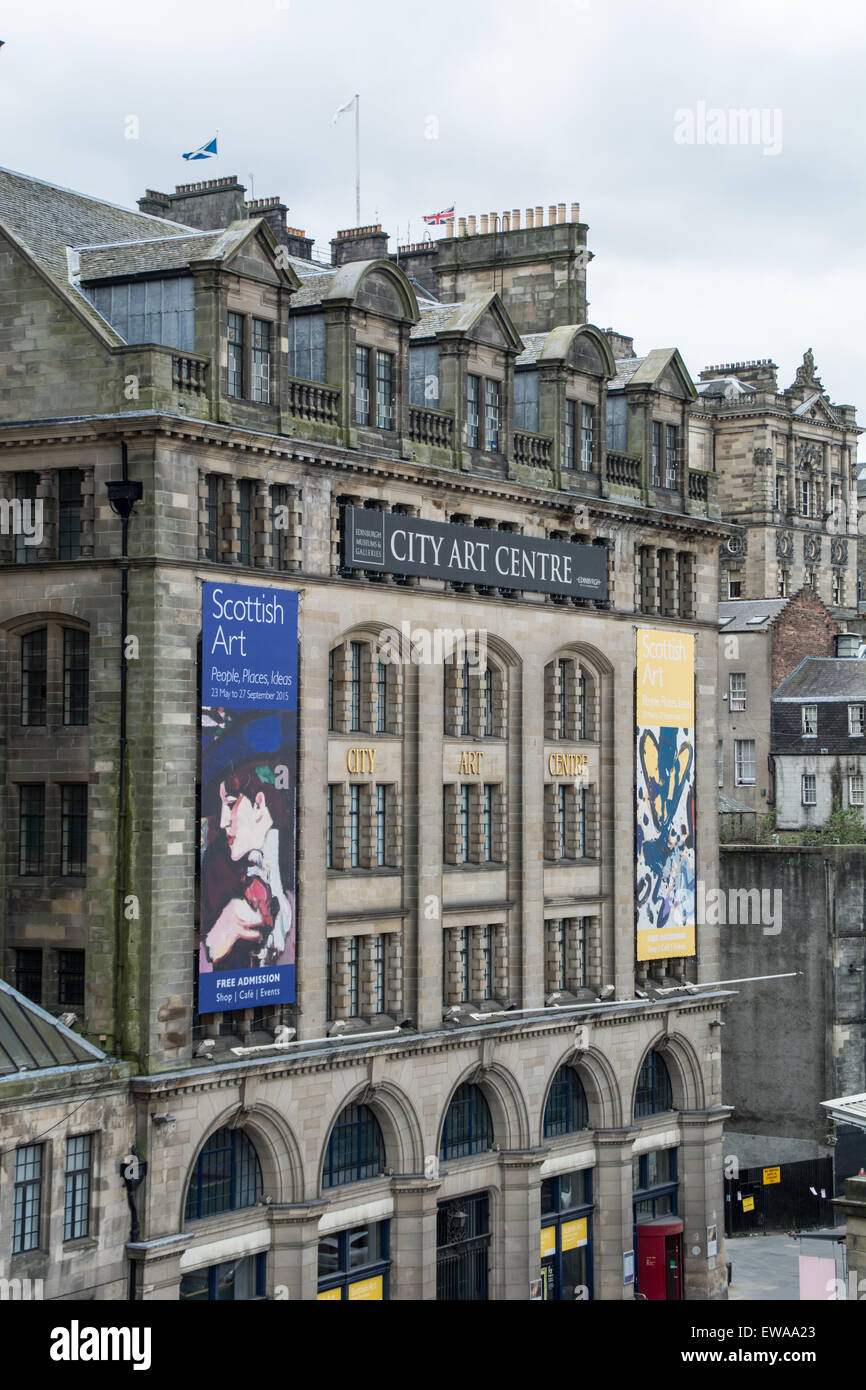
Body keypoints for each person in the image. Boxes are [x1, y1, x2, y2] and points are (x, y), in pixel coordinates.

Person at [200, 768, 294, 975]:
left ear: (259, 804)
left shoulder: (291, 891)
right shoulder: (216, 871)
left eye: (231, 804)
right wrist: (214, 942)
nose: (224, 822)